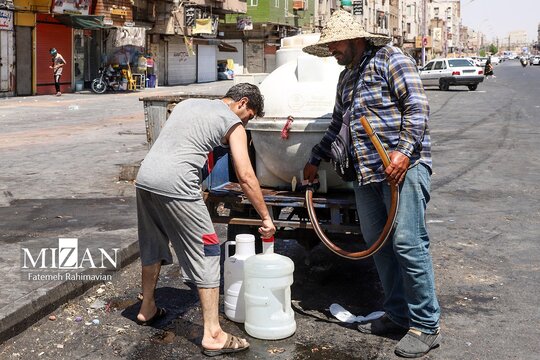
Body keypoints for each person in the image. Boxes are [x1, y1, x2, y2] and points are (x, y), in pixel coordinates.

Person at [302, 10, 440, 358]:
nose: (332, 49)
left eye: (335, 43)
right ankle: (396, 314)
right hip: (365, 174)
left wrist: (404, 153)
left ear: (354, 38)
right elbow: (338, 124)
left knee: (408, 244)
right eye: (329, 45)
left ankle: (426, 325)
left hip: (402, 170)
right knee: (379, 245)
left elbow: (417, 106)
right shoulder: (346, 78)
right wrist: (314, 159)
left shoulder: (389, 58)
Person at [134, 83, 276, 356]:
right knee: (209, 249)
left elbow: (180, 144)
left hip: (146, 179)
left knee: (152, 242)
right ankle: (213, 333)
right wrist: (265, 216)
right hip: (176, 184)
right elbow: (245, 175)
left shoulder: (188, 104)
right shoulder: (232, 121)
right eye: (248, 117)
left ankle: (147, 307)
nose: (245, 122)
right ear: (242, 103)